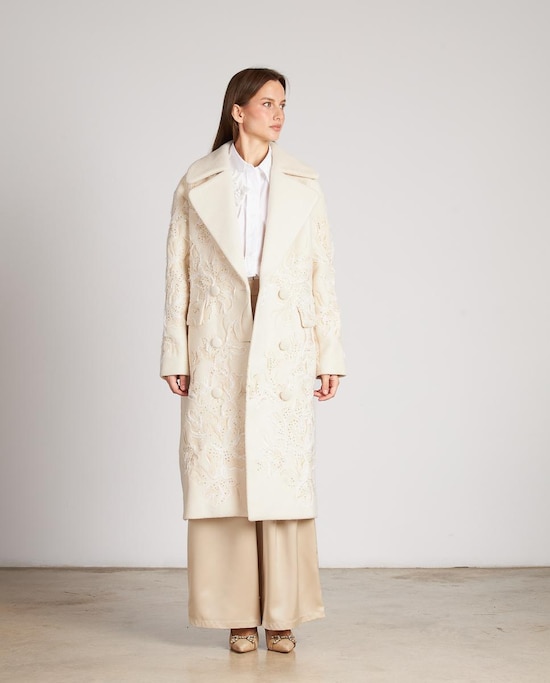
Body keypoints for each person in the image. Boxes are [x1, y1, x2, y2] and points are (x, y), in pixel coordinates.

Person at [160, 67, 345, 654]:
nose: (279, 114)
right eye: (267, 103)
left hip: (284, 335)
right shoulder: (197, 182)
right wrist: (175, 350)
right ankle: (238, 615)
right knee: (224, 471)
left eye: (283, 104)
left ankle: (283, 615)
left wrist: (330, 353)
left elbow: (322, 273)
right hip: (219, 333)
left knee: (280, 470)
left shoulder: (305, 182)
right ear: (237, 111)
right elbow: (177, 274)